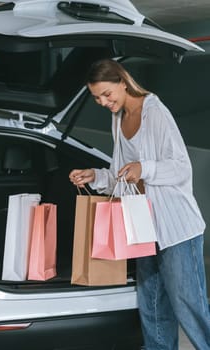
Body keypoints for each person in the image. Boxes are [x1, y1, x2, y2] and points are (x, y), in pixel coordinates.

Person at [69, 59, 210, 349]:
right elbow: (122, 174)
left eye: (107, 94)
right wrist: (94, 175)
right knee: (153, 306)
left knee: (189, 307)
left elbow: (181, 168)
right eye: (96, 98)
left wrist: (144, 168)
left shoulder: (154, 112)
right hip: (143, 228)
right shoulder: (118, 119)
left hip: (176, 229)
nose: (104, 102)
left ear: (122, 81)